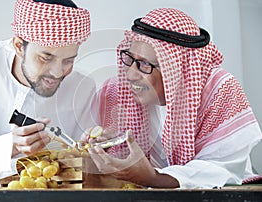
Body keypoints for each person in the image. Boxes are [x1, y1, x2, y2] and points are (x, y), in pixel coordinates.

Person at [82, 8, 262, 188]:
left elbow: (222, 167)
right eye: (130, 59)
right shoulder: (115, 91)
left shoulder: (219, 90)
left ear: (177, 71)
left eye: (145, 64)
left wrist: (154, 178)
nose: (130, 74)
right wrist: (96, 152)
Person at [0, 0, 96, 188]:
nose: (57, 73)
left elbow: (79, 168)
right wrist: (11, 146)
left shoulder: (83, 88)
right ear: (18, 46)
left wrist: (89, 152)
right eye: (45, 58)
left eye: (68, 60)